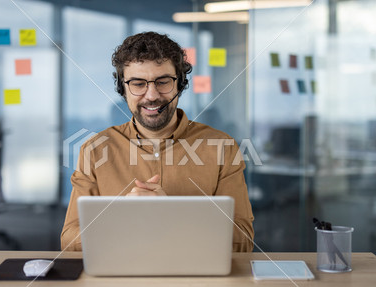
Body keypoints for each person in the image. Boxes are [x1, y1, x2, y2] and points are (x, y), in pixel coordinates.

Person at [61, 32, 254, 252]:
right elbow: (69, 242)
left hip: (196, 282)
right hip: (119, 280)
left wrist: (170, 215)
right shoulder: (95, 150)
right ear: (122, 89)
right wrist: (122, 220)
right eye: (138, 83)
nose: (152, 95)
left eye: (163, 82)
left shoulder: (223, 147)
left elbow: (243, 241)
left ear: (180, 85)